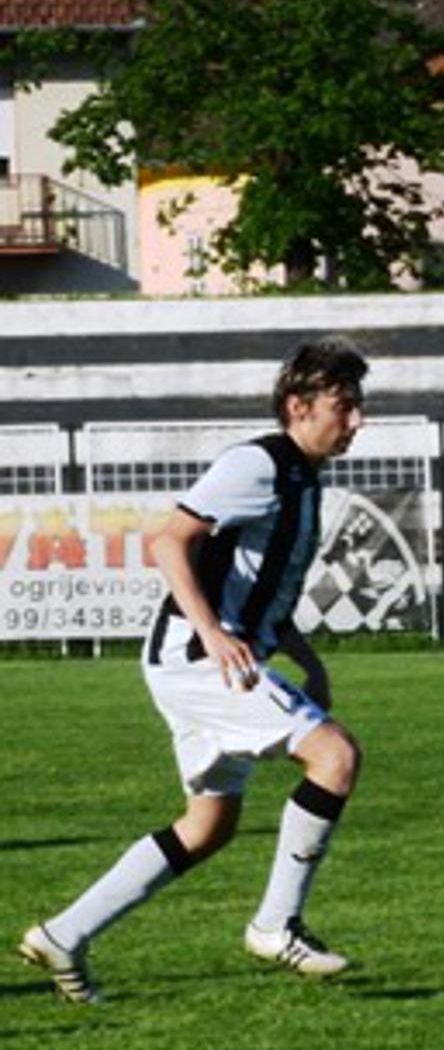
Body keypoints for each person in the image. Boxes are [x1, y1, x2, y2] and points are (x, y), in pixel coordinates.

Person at [18, 340, 372, 1004]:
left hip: (204, 658)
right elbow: (168, 540)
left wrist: (305, 657)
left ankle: (64, 933)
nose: (355, 422)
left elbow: (258, 584)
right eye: (344, 407)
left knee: (208, 826)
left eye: (358, 408)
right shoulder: (256, 464)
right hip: (195, 656)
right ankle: (275, 924)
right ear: (299, 407)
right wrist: (212, 633)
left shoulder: (301, 476)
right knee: (336, 756)